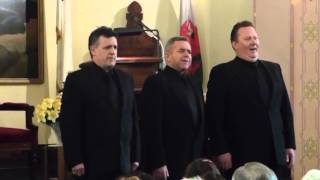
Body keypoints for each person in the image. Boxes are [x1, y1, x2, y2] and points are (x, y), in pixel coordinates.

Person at [205, 20, 296, 180]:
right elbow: (214, 117)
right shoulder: (221, 73)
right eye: (248, 39)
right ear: (234, 44)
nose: (253, 42)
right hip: (241, 152)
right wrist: (221, 150)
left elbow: (284, 110)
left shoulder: (274, 69)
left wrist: (290, 144)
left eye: (255, 38)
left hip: (276, 152)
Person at [59, 26, 140, 180]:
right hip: (91, 163)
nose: (113, 51)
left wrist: (135, 155)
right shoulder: (77, 80)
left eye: (115, 47)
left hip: (122, 161)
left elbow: (133, 119)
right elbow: (69, 122)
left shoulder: (126, 79)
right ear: (93, 50)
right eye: (107, 47)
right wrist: (75, 159)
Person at [140, 36, 205, 180]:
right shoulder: (156, 82)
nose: (187, 54)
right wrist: (158, 162)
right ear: (167, 56)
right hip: (169, 160)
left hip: (194, 159)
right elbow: (151, 126)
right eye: (181, 51)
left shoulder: (194, 82)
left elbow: (201, 121)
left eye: (189, 51)